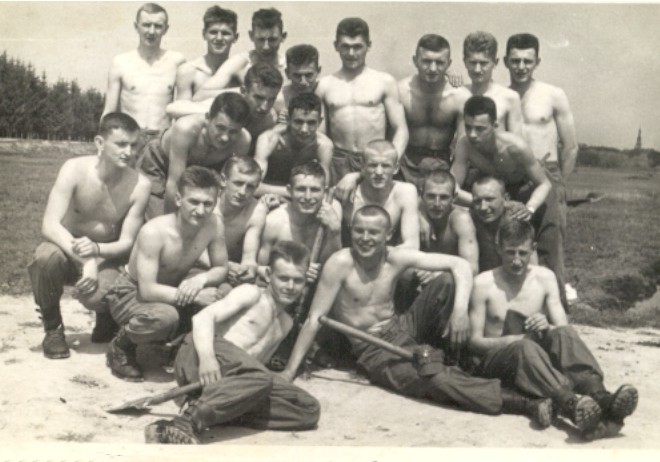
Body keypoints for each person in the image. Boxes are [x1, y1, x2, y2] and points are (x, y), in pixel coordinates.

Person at [280, 205, 553, 424]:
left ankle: (456, 356)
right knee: (434, 378)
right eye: (359, 231)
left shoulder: (395, 257)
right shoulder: (340, 263)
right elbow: (314, 320)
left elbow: (459, 265)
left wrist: (460, 312)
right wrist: (289, 371)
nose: (365, 238)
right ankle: (522, 402)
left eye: (373, 232)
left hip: (403, 326)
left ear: (388, 235)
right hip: (373, 348)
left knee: (446, 282)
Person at [469, 219, 638, 439]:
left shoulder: (545, 278)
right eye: (510, 252)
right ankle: (570, 404)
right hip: (498, 363)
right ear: (498, 248)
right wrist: (515, 339)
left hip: (534, 360)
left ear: (533, 249)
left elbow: (562, 329)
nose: (516, 260)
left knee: (564, 333)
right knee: (524, 346)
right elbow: (473, 342)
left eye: (523, 253)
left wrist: (547, 326)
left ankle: (600, 397)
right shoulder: (483, 284)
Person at [143, 240, 320, 444]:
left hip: (233, 379)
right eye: (283, 278)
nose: (290, 286)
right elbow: (202, 318)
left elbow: (254, 372)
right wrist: (208, 358)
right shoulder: (252, 294)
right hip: (203, 354)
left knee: (308, 408)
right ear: (269, 275)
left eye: (297, 281)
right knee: (262, 377)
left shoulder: (286, 323)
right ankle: (185, 422)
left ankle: (215, 408)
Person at [28, 113, 151, 359]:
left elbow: (127, 242)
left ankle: (105, 316)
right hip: (66, 248)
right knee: (45, 258)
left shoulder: (140, 185)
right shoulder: (74, 169)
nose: (129, 152)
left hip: (105, 254)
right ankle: (53, 329)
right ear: (99, 142)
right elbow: (49, 225)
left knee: (99, 296)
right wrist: (87, 261)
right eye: (121, 144)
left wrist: (96, 251)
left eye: (133, 145)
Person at [105, 166, 228, 382]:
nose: (200, 210)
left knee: (224, 292)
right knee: (166, 317)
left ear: (216, 202)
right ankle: (121, 345)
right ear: (179, 199)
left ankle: (180, 344)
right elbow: (148, 290)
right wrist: (196, 295)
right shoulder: (154, 232)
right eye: (194, 202)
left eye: (208, 203)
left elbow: (221, 267)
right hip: (132, 292)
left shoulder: (214, 224)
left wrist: (201, 280)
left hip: (172, 287)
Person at [452, 96, 566, 307]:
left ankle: (554, 306)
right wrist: (498, 204)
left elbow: (543, 184)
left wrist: (530, 208)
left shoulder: (515, 146)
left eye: (480, 128)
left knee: (547, 246)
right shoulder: (464, 145)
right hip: (499, 194)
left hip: (531, 189)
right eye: (468, 127)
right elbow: (453, 190)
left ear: (495, 125)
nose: (473, 134)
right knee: (497, 244)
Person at [504, 33, 577, 296]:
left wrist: (560, 186)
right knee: (513, 242)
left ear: (537, 62)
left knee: (550, 244)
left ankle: (555, 305)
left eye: (527, 61)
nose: (521, 67)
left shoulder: (553, 94)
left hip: (548, 172)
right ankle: (516, 303)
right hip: (513, 177)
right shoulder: (502, 96)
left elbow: (570, 146)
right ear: (505, 61)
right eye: (515, 61)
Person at [317, 17, 408, 184]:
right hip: (338, 161)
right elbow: (320, 136)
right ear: (336, 46)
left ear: (368, 46)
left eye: (357, 47)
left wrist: (389, 161)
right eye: (345, 46)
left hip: (376, 159)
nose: (351, 53)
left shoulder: (384, 81)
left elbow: (400, 129)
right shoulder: (324, 85)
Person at [138, 92, 251, 219]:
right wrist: (170, 224)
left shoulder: (243, 141)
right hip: (161, 165)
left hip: (201, 172)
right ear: (208, 118)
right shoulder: (186, 129)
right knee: (158, 219)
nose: (225, 137)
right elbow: (174, 184)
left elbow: (229, 185)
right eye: (220, 128)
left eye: (233, 132)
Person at [102, 3, 185, 138]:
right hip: (130, 138)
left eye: (158, 26)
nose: (151, 31)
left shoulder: (176, 62)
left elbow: (181, 111)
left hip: (163, 138)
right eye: (146, 25)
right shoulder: (120, 63)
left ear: (166, 29)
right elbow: (109, 112)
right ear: (136, 27)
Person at [167, 63, 283, 151]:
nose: (264, 107)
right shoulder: (226, 105)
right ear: (243, 91)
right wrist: (217, 112)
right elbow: (172, 108)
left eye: (271, 99)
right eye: (258, 98)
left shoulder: (268, 119)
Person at [397, 34, 465, 187]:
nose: (433, 68)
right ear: (415, 61)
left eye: (440, 62)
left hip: (443, 164)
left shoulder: (459, 97)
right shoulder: (401, 91)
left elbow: (463, 148)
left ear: (449, 64)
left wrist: (453, 184)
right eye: (426, 61)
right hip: (405, 164)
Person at [258, 162, 342, 272]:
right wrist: (299, 271)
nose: (308, 197)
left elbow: (336, 267)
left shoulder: (333, 210)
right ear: (289, 190)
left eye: (315, 190)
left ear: (324, 192)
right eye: (301, 189)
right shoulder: (274, 222)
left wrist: (335, 231)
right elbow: (260, 269)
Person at [192, 8, 287, 102]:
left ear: (283, 37)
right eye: (260, 40)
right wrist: (243, 91)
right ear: (251, 36)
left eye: (272, 40)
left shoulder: (290, 66)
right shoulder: (241, 62)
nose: (266, 46)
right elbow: (200, 95)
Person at [339, 140, 420, 250]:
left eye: (385, 166)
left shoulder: (405, 192)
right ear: (362, 166)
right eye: (373, 165)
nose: (379, 172)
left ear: (396, 168)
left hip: (389, 258)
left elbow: (412, 245)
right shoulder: (347, 192)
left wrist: (376, 256)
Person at [254, 93, 333, 198]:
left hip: (303, 197)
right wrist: (294, 192)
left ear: (320, 122)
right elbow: (253, 186)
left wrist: (297, 193)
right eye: (298, 122)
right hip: (270, 196)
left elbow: (324, 190)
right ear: (288, 119)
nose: (304, 130)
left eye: (311, 123)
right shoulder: (269, 139)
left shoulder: (323, 145)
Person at [210, 156, 268, 287]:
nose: (242, 192)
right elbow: (190, 250)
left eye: (250, 187)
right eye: (238, 183)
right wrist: (226, 266)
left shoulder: (256, 211)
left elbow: (249, 257)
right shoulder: (207, 202)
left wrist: (248, 270)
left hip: (228, 270)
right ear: (223, 180)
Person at [456, 31, 523, 137]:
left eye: (483, 63)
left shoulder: (510, 98)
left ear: (495, 62)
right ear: (465, 62)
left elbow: (517, 142)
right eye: (473, 63)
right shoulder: (456, 95)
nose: (477, 69)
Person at [470, 175, 535, 273]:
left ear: (506, 198)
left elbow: (532, 266)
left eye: (489, 199)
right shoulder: (470, 220)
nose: (483, 207)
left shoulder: (516, 217)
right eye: (477, 201)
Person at [419, 170, 479, 275]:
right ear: (422, 195)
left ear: (454, 198)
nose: (437, 204)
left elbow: (472, 268)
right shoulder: (413, 212)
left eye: (444, 197)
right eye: (431, 196)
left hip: (450, 278)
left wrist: (439, 273)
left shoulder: (460, 219)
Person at [175, 6, 240, 101]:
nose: (219, 38)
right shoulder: (188, 71)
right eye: (213, 32)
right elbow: (180, 108)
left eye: (225, 33)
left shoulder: (240, 73)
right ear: (204, 34)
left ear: (235, 37)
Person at [278, 44, 323, 123]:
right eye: (297, 76)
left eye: (308, 75)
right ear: (287, 73)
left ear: (318, 71)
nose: (303, 82)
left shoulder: (327, 96)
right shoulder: (279, 100)